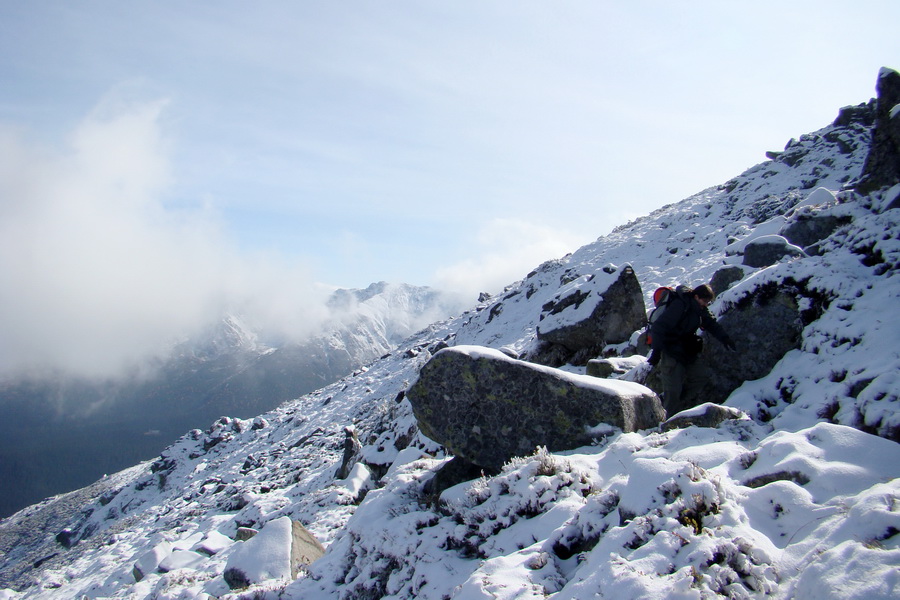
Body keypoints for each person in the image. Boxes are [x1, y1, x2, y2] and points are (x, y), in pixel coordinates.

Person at [648, 283, 736, 416]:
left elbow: (711, 324)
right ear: (696, 296)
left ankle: (669, 404)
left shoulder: (700, 309)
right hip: (671, 352)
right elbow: (659, 328)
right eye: (705, 301)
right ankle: (667, 423)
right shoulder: (679, 306)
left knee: (700, 377)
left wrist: (725, 339)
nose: (706, 304)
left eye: (708, 302)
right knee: (673, 390)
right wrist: (656, 352)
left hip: (687, 352)